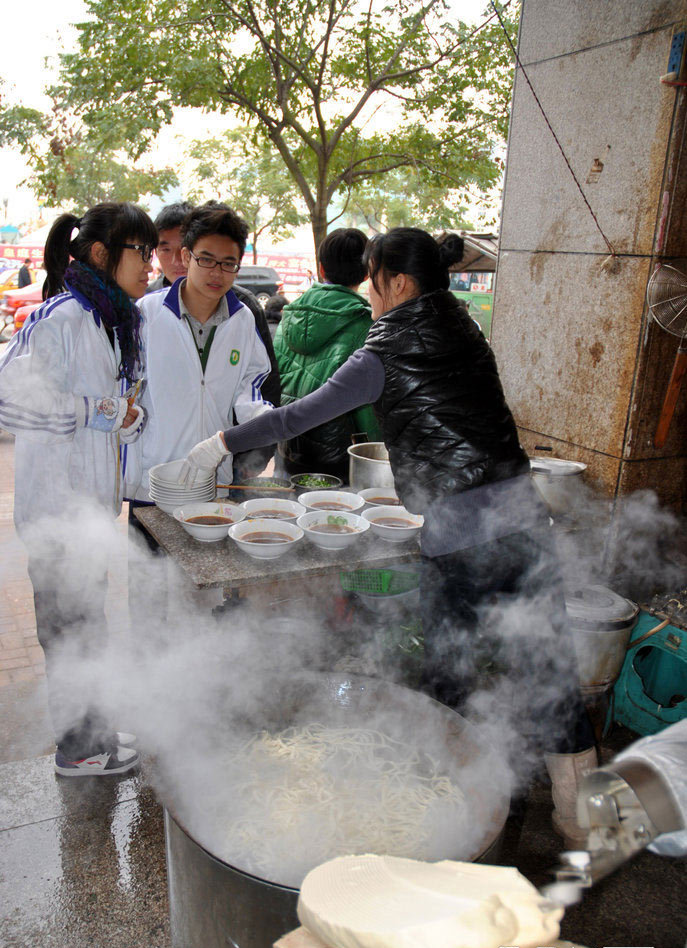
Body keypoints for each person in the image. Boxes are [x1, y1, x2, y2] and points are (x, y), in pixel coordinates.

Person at [179, 227, 597, 844]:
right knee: (545, 663)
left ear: (397, 282)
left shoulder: (385, 350)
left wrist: (220, 444)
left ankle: (455, 803)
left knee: (448, 671)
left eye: (373, 280)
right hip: (524, 519)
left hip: (463, 534)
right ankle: (578, 813)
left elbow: (301, 412)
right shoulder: (465, 327)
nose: (367, 294)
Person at [0, 202, 156, 776]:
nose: (151, 265)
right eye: (141, 251)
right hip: (55, 515)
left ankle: (94, 735)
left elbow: (111, 410)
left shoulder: (114, 321)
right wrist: (97, 412)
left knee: (88, 627)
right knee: (69, 634)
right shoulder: (62, 317)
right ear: (100, 254)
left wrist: (126, 419)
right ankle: (77, 750)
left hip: (87, 512)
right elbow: (9, 399)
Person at [129, 202, 274, 509]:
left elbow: (249, 394)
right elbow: (126, 390)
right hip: (153, 482)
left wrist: (271, 424)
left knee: (205, 557)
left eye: (228, 263)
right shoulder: (146, 314)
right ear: (187, 256)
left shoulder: (243, 320)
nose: (216, 273)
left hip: (212, 479)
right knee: (149, 557)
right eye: (206, 260)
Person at [273, 228, 381, 482]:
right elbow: (366, 406)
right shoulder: (365, 324)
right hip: (337, 452)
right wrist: (377, 447)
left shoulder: (288, 316)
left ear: (321, 269)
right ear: (366, 273)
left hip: (287, 442)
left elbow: (273, 381)